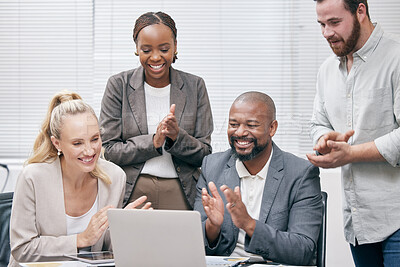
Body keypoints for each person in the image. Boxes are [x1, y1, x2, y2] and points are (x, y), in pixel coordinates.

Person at [8, 92, 151, 267]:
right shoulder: (32, 177)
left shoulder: (114, 177)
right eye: (77, 143)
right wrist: (80, 239)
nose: (90, 151)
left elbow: (107, 249)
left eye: (95, 139)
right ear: (57, 143)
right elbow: (23, 249)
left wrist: (123, 226)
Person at [307, 0, 400, 266]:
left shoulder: (396, 58)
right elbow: (318, 124)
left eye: (334, 23)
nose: (326, 33)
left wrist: (350, 154)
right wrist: (324, 140)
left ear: (361, 11)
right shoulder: (327, 70)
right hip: (357, 223)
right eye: (322, 24)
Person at [99, 11, 213, 210]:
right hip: (132, 191)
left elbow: (205, 154)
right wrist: (153, 142)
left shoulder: (195, 86)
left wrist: (177, 138)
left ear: (175, 47)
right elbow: (108, 150)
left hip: (181, 192)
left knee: (181, 242)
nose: (155, 57)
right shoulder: (119, 85)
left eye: (164, 49)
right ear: (136, 49)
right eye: (146, 50)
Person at [193, 91, 323, 265]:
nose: (240, 132)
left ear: (272, 128)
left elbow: (302, 250)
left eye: (251, 125)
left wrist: (249, 224)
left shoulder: (301, 174)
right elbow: (194, 244)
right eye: (233, 124)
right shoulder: (212, 166)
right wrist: (212, 226)